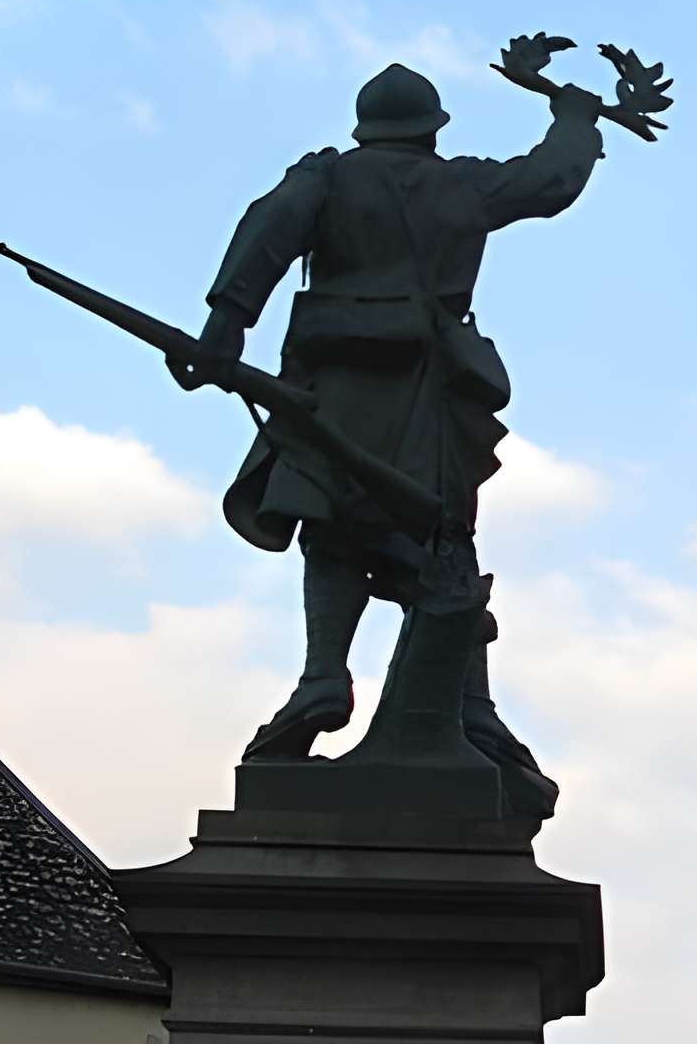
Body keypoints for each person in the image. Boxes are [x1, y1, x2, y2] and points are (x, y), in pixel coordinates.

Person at [178, 58, 604, 816]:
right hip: (429, 389)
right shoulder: (463, 184)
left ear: (364, 127)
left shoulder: (327, 179)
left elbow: (267, 227)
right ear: (433, 130)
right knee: (438, 542)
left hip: (335, 380)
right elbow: (550, 181)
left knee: (331, 524)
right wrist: (573, 116)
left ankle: (327, 675)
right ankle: (457, 705)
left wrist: (226, 323)